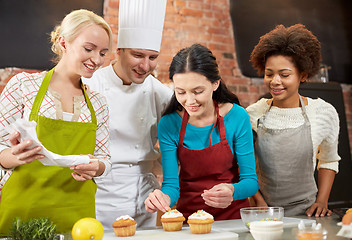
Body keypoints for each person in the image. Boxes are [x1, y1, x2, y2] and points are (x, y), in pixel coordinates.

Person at [0, 9, 112, 235]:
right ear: (63, 42)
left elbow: (104, 159)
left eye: (103, 53)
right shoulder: (23, 86)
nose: (97, 60)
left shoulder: (98, 103)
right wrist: (14, 156)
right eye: (89, 49)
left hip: (78, 217)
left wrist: (97, 167)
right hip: (23, 215)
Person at [83, 0, 173, 229]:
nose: (145, 65)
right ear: (119, 50)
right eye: (138, 55)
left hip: (144, 198)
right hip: (96, 195)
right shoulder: (89, 85)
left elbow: (178, 142)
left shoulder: (161, 93)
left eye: (153, 58)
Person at [144, 43, 259, 220]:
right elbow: (171, 185)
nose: (189, 100)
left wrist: (232, 190)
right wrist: (163, 197)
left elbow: (250, 182)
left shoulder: (237, 116)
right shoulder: (169, 123)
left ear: (215, 84)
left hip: (233, 218)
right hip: (190, 220)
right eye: (180, 92)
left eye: (198, 91)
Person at [246, 24, 340, 217]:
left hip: (307, 214)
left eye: (285, 74)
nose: (275, 81)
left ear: (303, 75)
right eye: (269, 74)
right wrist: (258, 200)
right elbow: (240, 163)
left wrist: (322, 201)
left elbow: (329, 160)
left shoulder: (324, 112)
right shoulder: (253, 114)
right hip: (263, 212)